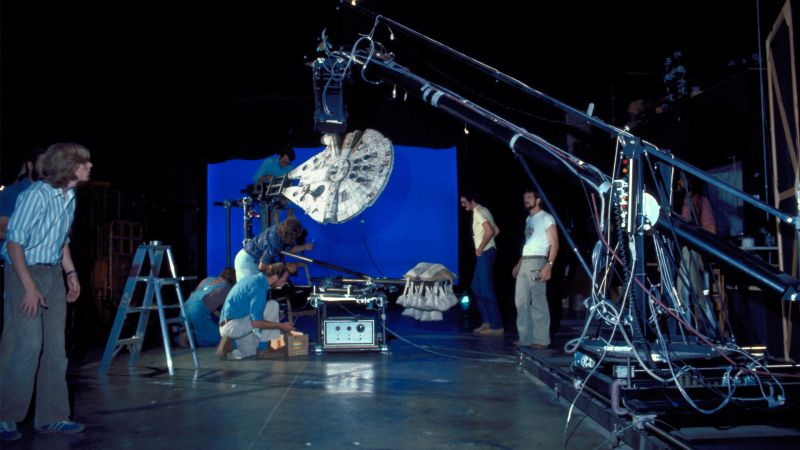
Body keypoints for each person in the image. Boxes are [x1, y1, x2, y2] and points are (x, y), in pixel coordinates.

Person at [0, 143, 92, 441]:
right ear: (70, 166)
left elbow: (61, 240)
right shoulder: (36, 195)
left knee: (56, 349)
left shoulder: (70, 196)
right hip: (24, 271)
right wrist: (29, 287)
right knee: (28, 346)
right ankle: (5, 417)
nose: (90, 166)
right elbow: (14, 243)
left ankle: (53, 417)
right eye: (85, 162)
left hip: (52, 273)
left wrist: (71, 273)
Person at [216, 262, 294, 360]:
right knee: (272, 305)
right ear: (274, 277)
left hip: (231, 324)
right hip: (234, 325)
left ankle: (230, 347)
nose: (283, 284)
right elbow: (256, 323)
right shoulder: (259, 287)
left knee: (251, 352)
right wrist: (281, 326)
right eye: (283, 281)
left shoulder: (253, 279)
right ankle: (266, 349)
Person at [513, 189, 559, 350]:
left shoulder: (546, 218)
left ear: (538, 200)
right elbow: (529, 243)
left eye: (529, 197)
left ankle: (541, 339)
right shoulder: (529, 219)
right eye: (524, 197)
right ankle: (525, 338)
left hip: (538, 262)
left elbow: (555, 243)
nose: (525, 200)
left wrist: (549, 265)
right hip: (525, 261)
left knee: (538, 301)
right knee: (521, 301)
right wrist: (519, 263)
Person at [459, 193, 503, 336]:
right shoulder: (484, 210)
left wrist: (481, 247)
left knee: (486, 289)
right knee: (476, 286)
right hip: (487, 253)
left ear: (472, 200)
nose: (463, 205)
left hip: (485, 253)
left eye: (464, 202)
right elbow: (496, 230)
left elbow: (490, 231)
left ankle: (496, 326)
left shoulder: (478, 212)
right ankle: (487, 321)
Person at [233, 217, 312, 281]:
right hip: (247, 262)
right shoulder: (274, 243)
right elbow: (262, 266)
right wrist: (283, 270)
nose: (297, 237)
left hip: (246, 257)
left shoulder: (279, 229)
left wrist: (304, 246)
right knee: (252, 290)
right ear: (290, 235)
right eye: (296, 236)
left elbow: (290, 249)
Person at [177, 267, 237, 348]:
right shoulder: (227, 288)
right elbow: (225, 314)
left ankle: (184, 330)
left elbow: (208, 305)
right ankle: (191, 335)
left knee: (209, 322)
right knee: (221, 338)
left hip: (184, 311)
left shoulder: (207, 280)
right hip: (197, 314)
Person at [252, 146, 296, 228]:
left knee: (289, 209)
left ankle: (286, 231)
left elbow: (289, 186)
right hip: (265, 196)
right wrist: (268, 177)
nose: (285, 165)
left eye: (288, 163)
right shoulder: (269, 162)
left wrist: (285, 200)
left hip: (279, 198)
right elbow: (256, 179)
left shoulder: (289, 168)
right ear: (279, 156)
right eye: (283, 162)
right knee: (265, 223)